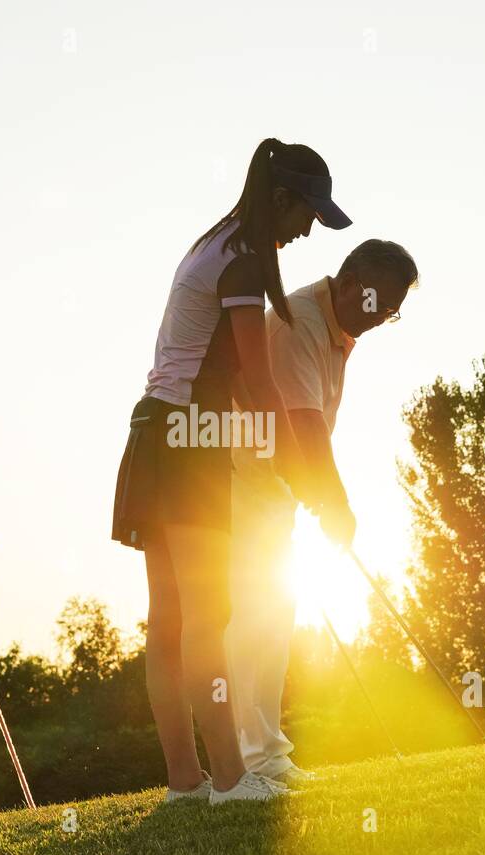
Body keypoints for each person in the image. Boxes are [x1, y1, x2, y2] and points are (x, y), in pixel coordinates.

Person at [112, 139, 352, 804]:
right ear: (280, 200)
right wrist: (299, 469)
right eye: (307, 213)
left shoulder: (215, 243)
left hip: (154, 431)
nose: (308, 229)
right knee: (207, 616)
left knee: (170, 621)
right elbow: (259, 380)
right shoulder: (245, 261)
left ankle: (186, 783)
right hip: (187, 441)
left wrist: (292, 469)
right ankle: (229, 778)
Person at [226, 239, 420, 785]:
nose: (383, 319)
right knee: (252, 621)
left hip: (273, 487)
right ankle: (249, 762)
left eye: (393, 312)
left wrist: (315, 494)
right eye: (380, 304)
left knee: (274, 617)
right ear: (352, 281)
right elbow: (304, 424)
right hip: (240, 481)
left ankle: (268, 755)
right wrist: (336, 505)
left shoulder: (338, 328)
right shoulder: (301, 323)